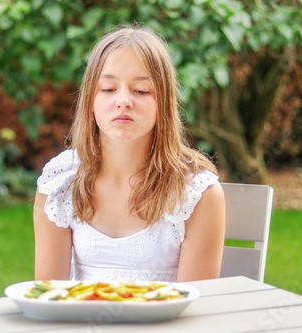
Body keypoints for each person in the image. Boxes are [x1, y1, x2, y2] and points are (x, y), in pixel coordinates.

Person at [33, 25, 225, 282]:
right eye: (108, 89)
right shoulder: (61, 182)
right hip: (81, 320)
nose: (123, 101)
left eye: (142, 91)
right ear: (91, 100)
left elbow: (194, 306)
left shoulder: (196, 193)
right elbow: (48, 295)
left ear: (164, 103)